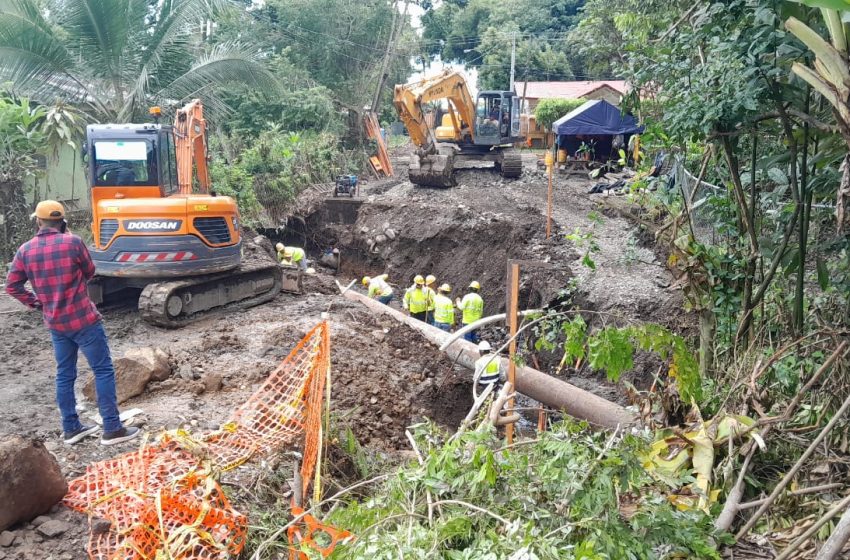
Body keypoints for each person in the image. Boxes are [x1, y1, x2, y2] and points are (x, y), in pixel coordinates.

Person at [5, 200, 141, 446]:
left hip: (56, 323)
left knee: (65, 374)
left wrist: (37, 303)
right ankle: (112, 428)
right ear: (62, 221)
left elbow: (12, 286)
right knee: (102, 370)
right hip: (84, 320)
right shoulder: (73, 242)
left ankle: (71, 429)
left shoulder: (26, 250)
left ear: (38, 221)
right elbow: (90, 272)